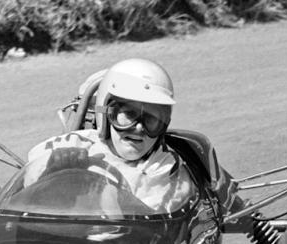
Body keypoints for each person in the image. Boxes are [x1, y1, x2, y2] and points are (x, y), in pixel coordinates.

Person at [26, 58, 193, 213]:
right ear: (106, 114)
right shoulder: (72, 144)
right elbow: (22, 193)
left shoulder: (165, 167)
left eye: (151, 118)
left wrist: (103, 191)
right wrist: (49, 175)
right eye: (128, 114)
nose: (139, 128)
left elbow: (157, 224)